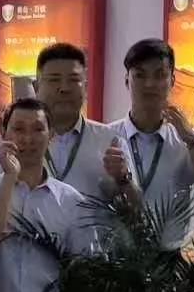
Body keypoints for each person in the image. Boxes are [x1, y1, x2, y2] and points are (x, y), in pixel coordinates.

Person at [0, 99, 87, 292]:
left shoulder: (70, 201)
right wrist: (9, 178)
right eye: (19, 129)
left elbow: (82, 270)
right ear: (3, 133)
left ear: (51, 135)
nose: (28, 139)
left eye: (38, 129)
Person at [109, 38, 194, 248]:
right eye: (140, 75)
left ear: (172, 81)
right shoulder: (107, 137)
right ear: (127, 80)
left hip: (170, 258)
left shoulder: (185, 140)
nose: (150, 84)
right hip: (116, 259)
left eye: (159, 75)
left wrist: (191, 141)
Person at [35, 43, 136, 199]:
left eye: (73, 80)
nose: (64, 88)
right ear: (36, 87)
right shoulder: (12, 141)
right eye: (54, 80)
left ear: (86, 87)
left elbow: (137, 208)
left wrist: (123, 179)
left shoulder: (111, 140)